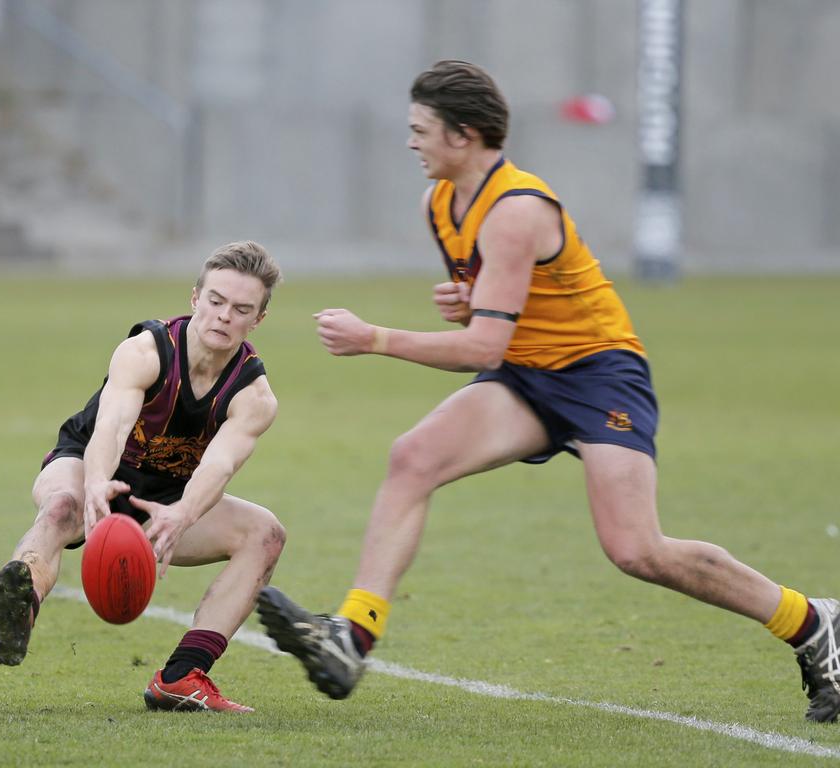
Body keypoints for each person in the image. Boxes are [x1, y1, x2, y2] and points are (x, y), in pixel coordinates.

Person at [257, 60, 840, 723]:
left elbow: (481, 348)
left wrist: (376, 339)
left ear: (464, 134)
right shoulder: (439, 203)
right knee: (413, 456)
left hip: (598, 375)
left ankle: (813, 622)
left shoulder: (517, 211)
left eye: (422, 130)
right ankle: (353, 635)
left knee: (637, 550)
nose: (411, 142)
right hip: (527, 378)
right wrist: (469, 299)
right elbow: (494, 315)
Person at [0, 241, 285, 713]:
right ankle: (20, 598)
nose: (224, 316)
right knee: (63, 505)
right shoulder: (146, 351)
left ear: (258, 320)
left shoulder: (254, 395)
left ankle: (181, 676)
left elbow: (220, 465)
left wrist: (182, 515)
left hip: (165, 500)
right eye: (215, 301)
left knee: (265, 535)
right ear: (195, 299)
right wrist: (96, 484)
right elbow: (111, 425)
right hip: (89, 465)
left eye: (241, 309)